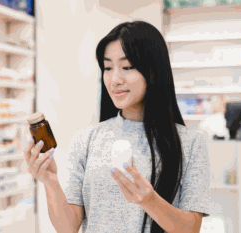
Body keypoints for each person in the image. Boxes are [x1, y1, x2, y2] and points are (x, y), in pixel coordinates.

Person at [24, 20, 212, 233]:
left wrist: (150, 201)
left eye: (127, 67)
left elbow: (191, 229)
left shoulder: (191, 142)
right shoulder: (87, 139)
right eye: (107, 68)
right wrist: (51, 183)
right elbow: (68, 227)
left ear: (154, 70)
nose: (115, 80)